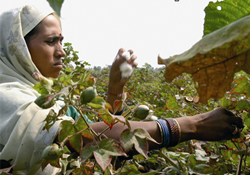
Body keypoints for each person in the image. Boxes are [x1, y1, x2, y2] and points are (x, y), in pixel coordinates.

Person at [0, 5, 244, 175]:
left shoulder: (48, 97)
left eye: (62, 41)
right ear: (18, 47)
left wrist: (115, 88)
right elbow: (80, 141)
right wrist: (192, 125)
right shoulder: (6, 96)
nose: (62, 51)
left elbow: (102, 144)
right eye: (51, 41)